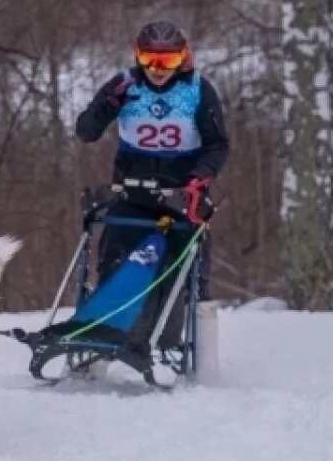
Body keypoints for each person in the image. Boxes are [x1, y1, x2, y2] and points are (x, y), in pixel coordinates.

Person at [75, 19, 229, 350]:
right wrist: (108, 106)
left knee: (191, 267)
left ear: (183, 58)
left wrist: (200, 177)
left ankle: (199, 351)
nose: (158, 69)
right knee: (114, 260)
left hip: (182, 194)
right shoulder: (124, 85)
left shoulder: (199, 90)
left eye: (168, 60)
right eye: (149, 59)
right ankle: (101, 342)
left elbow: (218, 144)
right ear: (137, 56)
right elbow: (86, 131)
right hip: (132, 191)